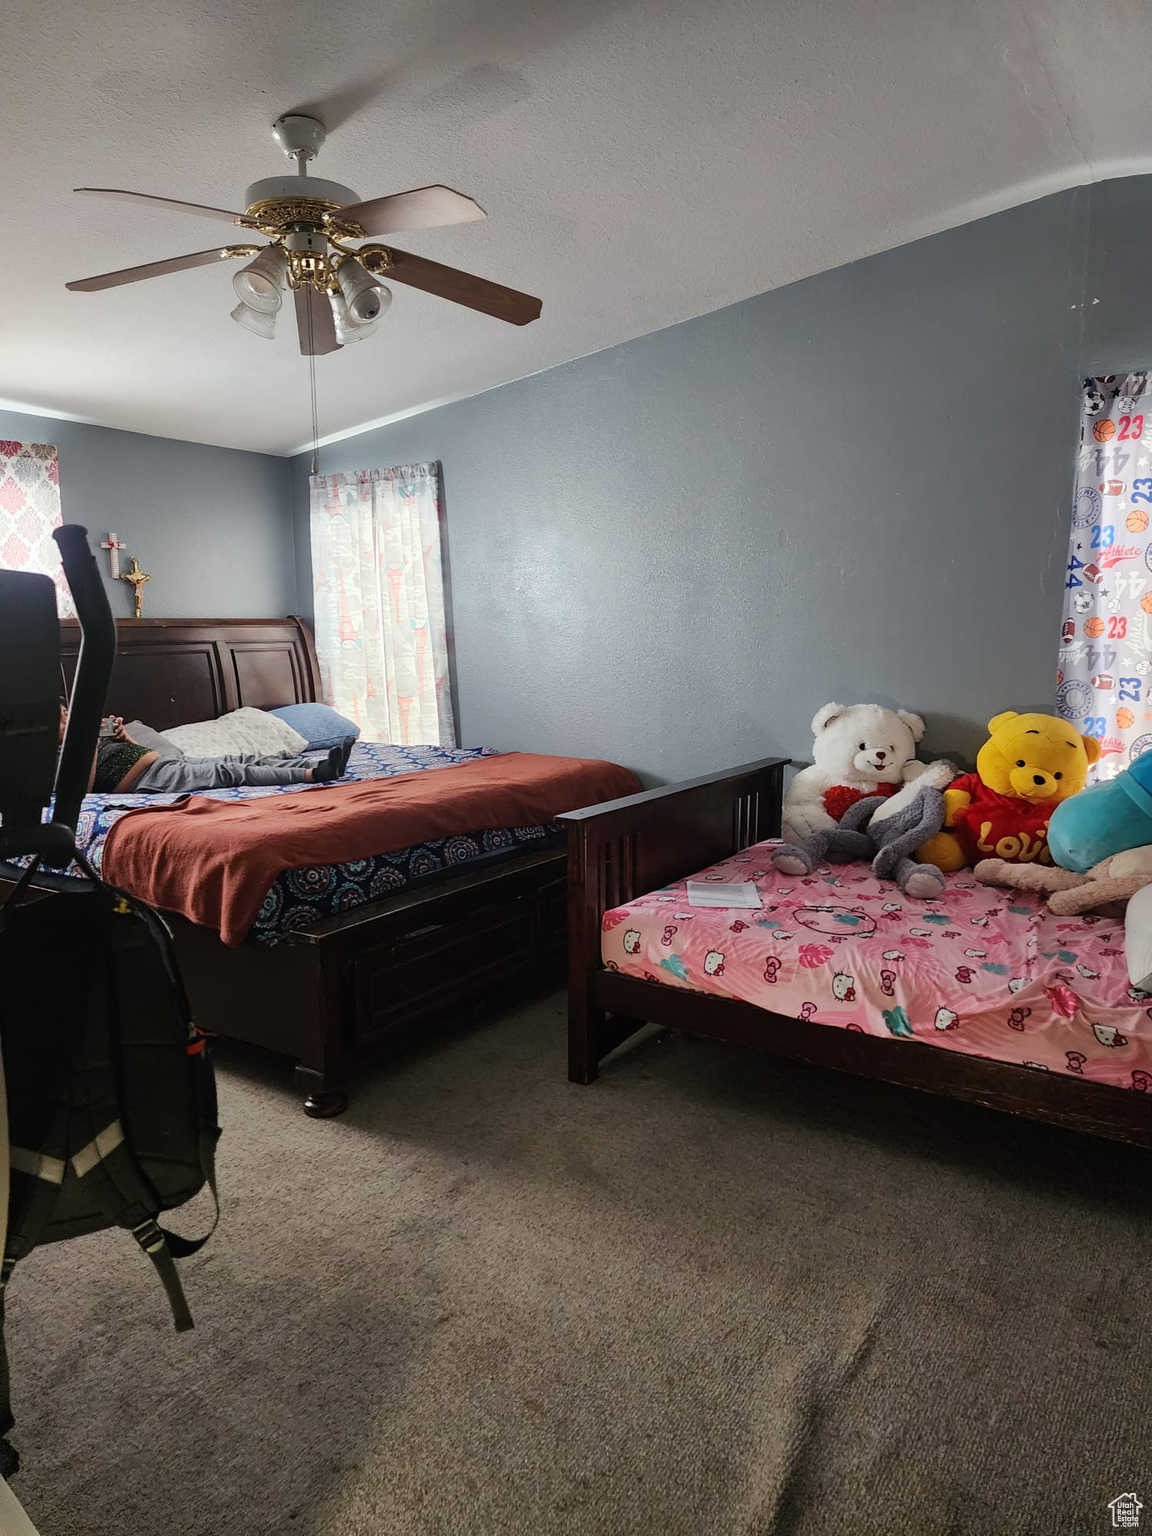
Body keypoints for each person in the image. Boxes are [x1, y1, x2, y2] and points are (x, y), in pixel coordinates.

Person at [58, 705, 354, 794]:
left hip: (164, 764)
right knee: (229, 771)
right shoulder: (59, 756)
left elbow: (141, 751)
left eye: (66, 711)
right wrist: (86, 746)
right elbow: (80, 791)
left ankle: (321, 763)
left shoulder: (86, 738)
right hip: (151, 781)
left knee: (238, 758)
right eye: (60, 717)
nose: (67, 718)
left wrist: (124, 738)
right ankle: (313, 774)